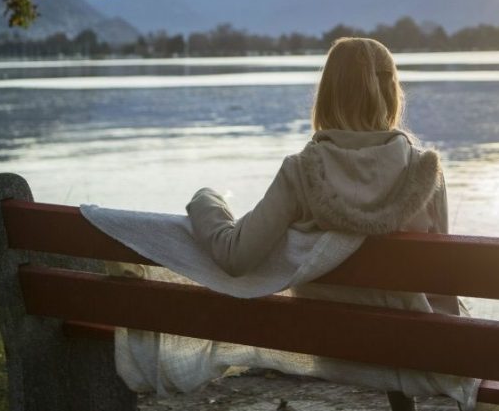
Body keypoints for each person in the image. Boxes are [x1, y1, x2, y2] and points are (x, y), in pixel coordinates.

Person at [186, 36, 453, 309]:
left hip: (327, 343)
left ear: (327, 94)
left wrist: (205, 200)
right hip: (412, 344)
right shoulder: (425, 173)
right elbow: (443, 278)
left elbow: (236, 256)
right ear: (392, 93)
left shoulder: (301, 172)